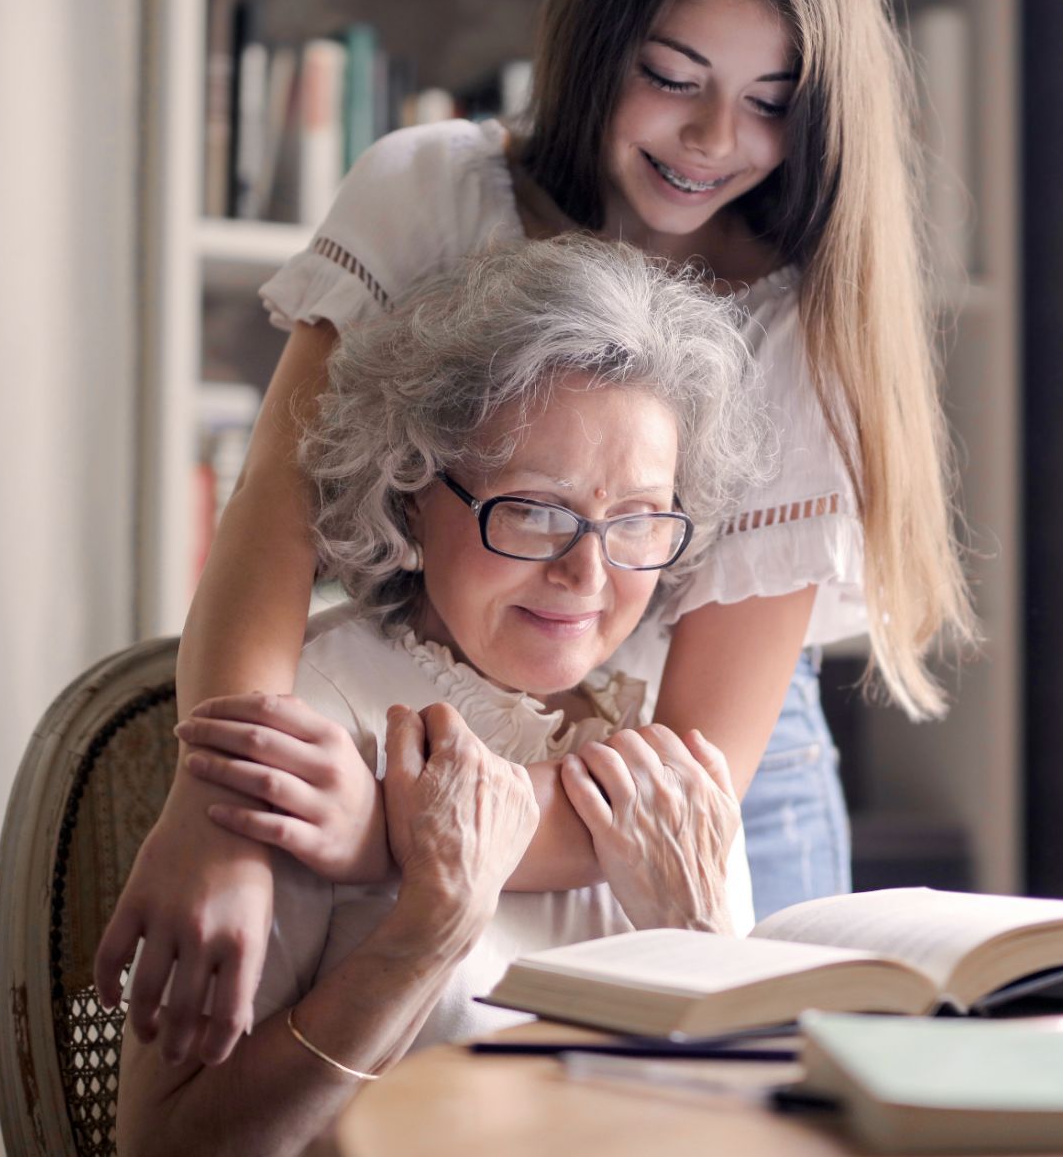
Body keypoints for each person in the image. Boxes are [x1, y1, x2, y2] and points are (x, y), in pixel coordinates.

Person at [98, 0, 977, 1069]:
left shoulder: (799, 319)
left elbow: (700, 764)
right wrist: (220, 811)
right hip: (429, 719)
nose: (713, 139)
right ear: (594, 44)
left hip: (699, 786)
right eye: (672, 75)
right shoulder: (431, 196)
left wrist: (379, 836)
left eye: (771, 103)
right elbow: (270, 531)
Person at [114, 238, 760, 1157]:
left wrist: (699, 939)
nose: (588, 572)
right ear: (414, 491)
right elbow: (165, 1146)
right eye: (536, 508)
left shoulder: (668, 765)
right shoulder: (308, 726)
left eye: (637, 521)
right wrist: (423, 937)